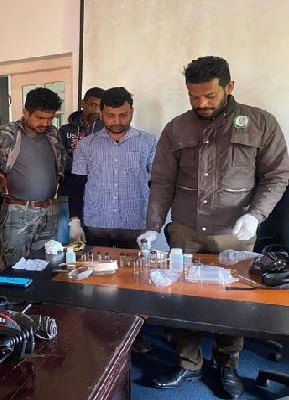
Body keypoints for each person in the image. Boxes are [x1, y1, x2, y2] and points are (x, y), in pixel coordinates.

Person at [138, 56, 289, 399]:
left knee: (232, 301)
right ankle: (187, 362)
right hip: (185, 230)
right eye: (194, 97)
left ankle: (227, 365)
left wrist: (256, 215)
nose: (201, 103)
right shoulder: (177, 128)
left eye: (209, 95)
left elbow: (277, 175)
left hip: (233, 234)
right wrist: (153, 226)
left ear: (229, 86)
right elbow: (161, 181)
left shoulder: (260, 123)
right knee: (182, 297)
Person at [0, 87, 66, 268]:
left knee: (47, 264)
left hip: (49, 211)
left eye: (50, 118)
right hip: (18, 212)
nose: (45, 123)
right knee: (14, 267)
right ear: (25, 112)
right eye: (40, 117)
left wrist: (58, 178)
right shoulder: (5, 133)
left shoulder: (53, 133)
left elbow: (61, 158)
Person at [68, 87, 156, 249]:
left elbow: (159, 184)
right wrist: (74, 221)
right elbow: (77, 185)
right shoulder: (86, 145)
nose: (117, 121)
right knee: (95, 265)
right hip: (95, 225)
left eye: (123, 115)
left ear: (132, 112)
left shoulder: (148, 143)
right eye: (110, 115)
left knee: (133, 266)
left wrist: (154, 226)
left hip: (135, 225)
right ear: (101, 113)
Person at [57, 87, 105, 244]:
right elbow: (60, 158)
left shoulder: (106, 130)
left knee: (93, 244)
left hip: (97, 197)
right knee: (67, 243)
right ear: (83, 103)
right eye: (92, 104)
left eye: (100, 106)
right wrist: (82, 165)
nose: (96, 110)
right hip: (68, 193)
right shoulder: (65, 130)